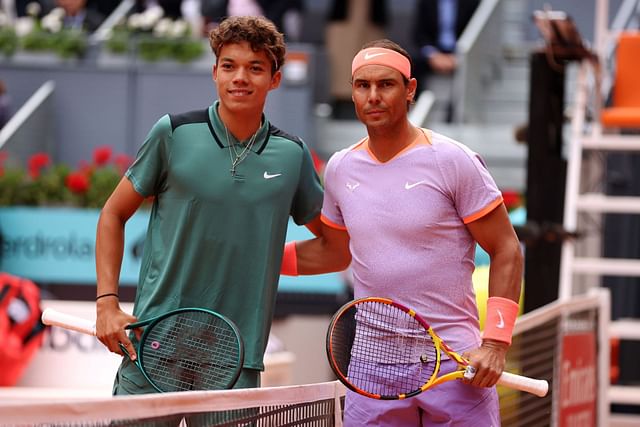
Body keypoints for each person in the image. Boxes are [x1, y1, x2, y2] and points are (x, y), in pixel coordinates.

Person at [280, 39, 523, 425]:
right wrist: (263, 259)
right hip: (371, 365)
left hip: (453, 364)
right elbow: (334, 253)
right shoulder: (341, 168)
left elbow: (507, 248)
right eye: (363, 85)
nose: (373, 96)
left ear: (409, 90)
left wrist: (495, 343)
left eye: (386, 84)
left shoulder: (453, 160)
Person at [95, 15, 323, 396]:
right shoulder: (173, 133)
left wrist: (268, 257)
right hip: (153, 346)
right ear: (214, 72)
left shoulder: (292, 155)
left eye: (255, 68)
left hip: (235, 360)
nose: (240, 78)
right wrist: (106, 304)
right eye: (229, 66)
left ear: (275, 79)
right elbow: (112, 214)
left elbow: (337, 247)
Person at [411, 0, 480, 121]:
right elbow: (418, 35)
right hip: (434, 51)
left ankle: (454, 115)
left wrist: (459, 56)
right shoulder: (426, 3)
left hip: (460, 52)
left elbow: (475, 33)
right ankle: (414, 108)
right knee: (412, 64)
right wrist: (433, 55)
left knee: (471, 68)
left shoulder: (471, 3)